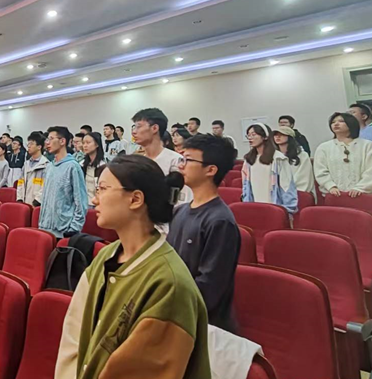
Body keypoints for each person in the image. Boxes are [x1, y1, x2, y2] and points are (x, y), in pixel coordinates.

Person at [55, 155, 210, 379]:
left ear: (135, 199)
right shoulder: (107, 255)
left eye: (103, 189)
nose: (95, 199)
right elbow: (74, 332)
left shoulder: (169, 284)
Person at [168, 134, 240, 333]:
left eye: (188, 160)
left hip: (202, 324)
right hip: (175, 313)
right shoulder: (180, 211)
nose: (181, 166)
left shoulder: (220, 221)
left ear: (210, 170)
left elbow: (209, 287)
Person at [314, 112, 372, 197]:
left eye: (341, 121)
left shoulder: (368, 145)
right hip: (335, 196)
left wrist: (360, 188)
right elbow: (320, 171)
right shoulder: (324, 147)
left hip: (365, 196)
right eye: (333, 122)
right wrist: (331, 186)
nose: (336, 124)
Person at [132, 109, 190, 203]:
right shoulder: (138, 161)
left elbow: (180, 201)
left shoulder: (176, 160)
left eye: (138, 127)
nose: (134, 132)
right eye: (134, 127)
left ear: (154, 128)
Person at [39, 126, 87, 238]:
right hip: (45, 229)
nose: (47, 143)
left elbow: (80, 201)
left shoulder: (73, 167)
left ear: (62, 141)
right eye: (47, 139)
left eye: (51, 139)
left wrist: (73, 229)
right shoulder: (49, 166)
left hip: (64, 231)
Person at [241, 124, 297, 214]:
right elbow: (246, 186)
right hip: (254, 206)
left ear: (265, 136)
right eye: (248, 135)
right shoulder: (248, 160)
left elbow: (286, 186)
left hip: (273, 207)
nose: (250, 138)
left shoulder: (278, 159)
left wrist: (288, 209)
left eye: (253, 134)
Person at [273, 127, 315, 195]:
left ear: (290, 137)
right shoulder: (272, 156)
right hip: (276, 193)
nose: (278, 137)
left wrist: (288, 190)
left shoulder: (302, 155)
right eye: (275, 134)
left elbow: (303, 177)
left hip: (297, 193)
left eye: (282, 134)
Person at [18, 132, 49, 206]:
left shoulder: (46, 165)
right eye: (28, 144)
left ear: (39, 147)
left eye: (31, 144)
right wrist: (19, 198)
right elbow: (20, 183)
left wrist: (37, 201)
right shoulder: (26, 164)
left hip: (38, 205)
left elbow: (46, 186)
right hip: (24, 203)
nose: (28, 146)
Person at [82, 132, 106, 207]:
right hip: (84, 203)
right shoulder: (82, 165)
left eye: (88, 142)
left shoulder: (103, 166)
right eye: (83, 143)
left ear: (97, 144)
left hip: (97, 204)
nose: (85, 145)